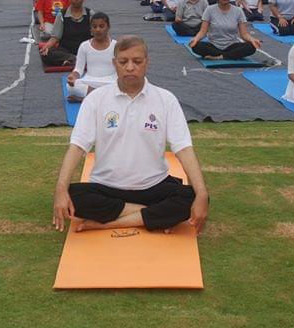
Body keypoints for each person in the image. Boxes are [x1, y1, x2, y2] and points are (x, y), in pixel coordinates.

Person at [51, 35, 209, 233]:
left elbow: (183, 149)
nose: (130, 67)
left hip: (154, 186)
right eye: (123, 62)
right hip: (106, 187)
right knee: (72, 196)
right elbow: (77, 146)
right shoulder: (96, 99)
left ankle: (112, 222)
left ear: (147, 63)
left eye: (137, 61)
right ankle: (152, 215)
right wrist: (60, 190)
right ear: (114, 64)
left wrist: (201, 194)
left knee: (195, 196)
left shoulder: (165, 99)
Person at [189, 0, 262, 60]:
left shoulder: (238, 11)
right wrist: (196, 39)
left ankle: (221, 56)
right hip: (214, 45)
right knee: (196, 46)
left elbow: (244, 34)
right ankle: (229, 55)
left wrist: (252, 39)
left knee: (251, 47)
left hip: (232, 45)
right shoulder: (209, 9)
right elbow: (203, 31)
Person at [66, 13, 116, 102]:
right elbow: (78, 69)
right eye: (94, 27)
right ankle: (104, 97)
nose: (98, 30)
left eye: (101, 26)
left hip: (111, 82)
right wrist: (73, 76)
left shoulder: (116, 45)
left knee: (126, 86)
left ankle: (89, 98)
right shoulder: (84, 46)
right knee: (70, 87)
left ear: (108, 27)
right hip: (91, 81)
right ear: (91, 29)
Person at [40, 0, 90, 67]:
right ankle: (75, 59)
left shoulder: (91, 14)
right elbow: (55, 37)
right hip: (66, 50)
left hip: (86, 50)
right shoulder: (61, 15)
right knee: (46, 54)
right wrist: (46, 47)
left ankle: (70, 60)